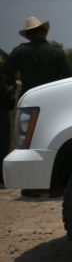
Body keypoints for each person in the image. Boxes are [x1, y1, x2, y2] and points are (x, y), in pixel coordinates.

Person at [4, 16, 72, 97]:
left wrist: (12, 86)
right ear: (44, 32)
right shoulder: (57, 52)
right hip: (52, 97)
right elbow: (69, 77)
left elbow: (5, 73)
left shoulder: (19, 51)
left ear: (28, 35)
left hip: (28, 97)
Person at [0, 48, 13, 186]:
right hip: (2, 105)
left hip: (2, 105)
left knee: (3, 143)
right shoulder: (3, 54)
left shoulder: (4, 54)